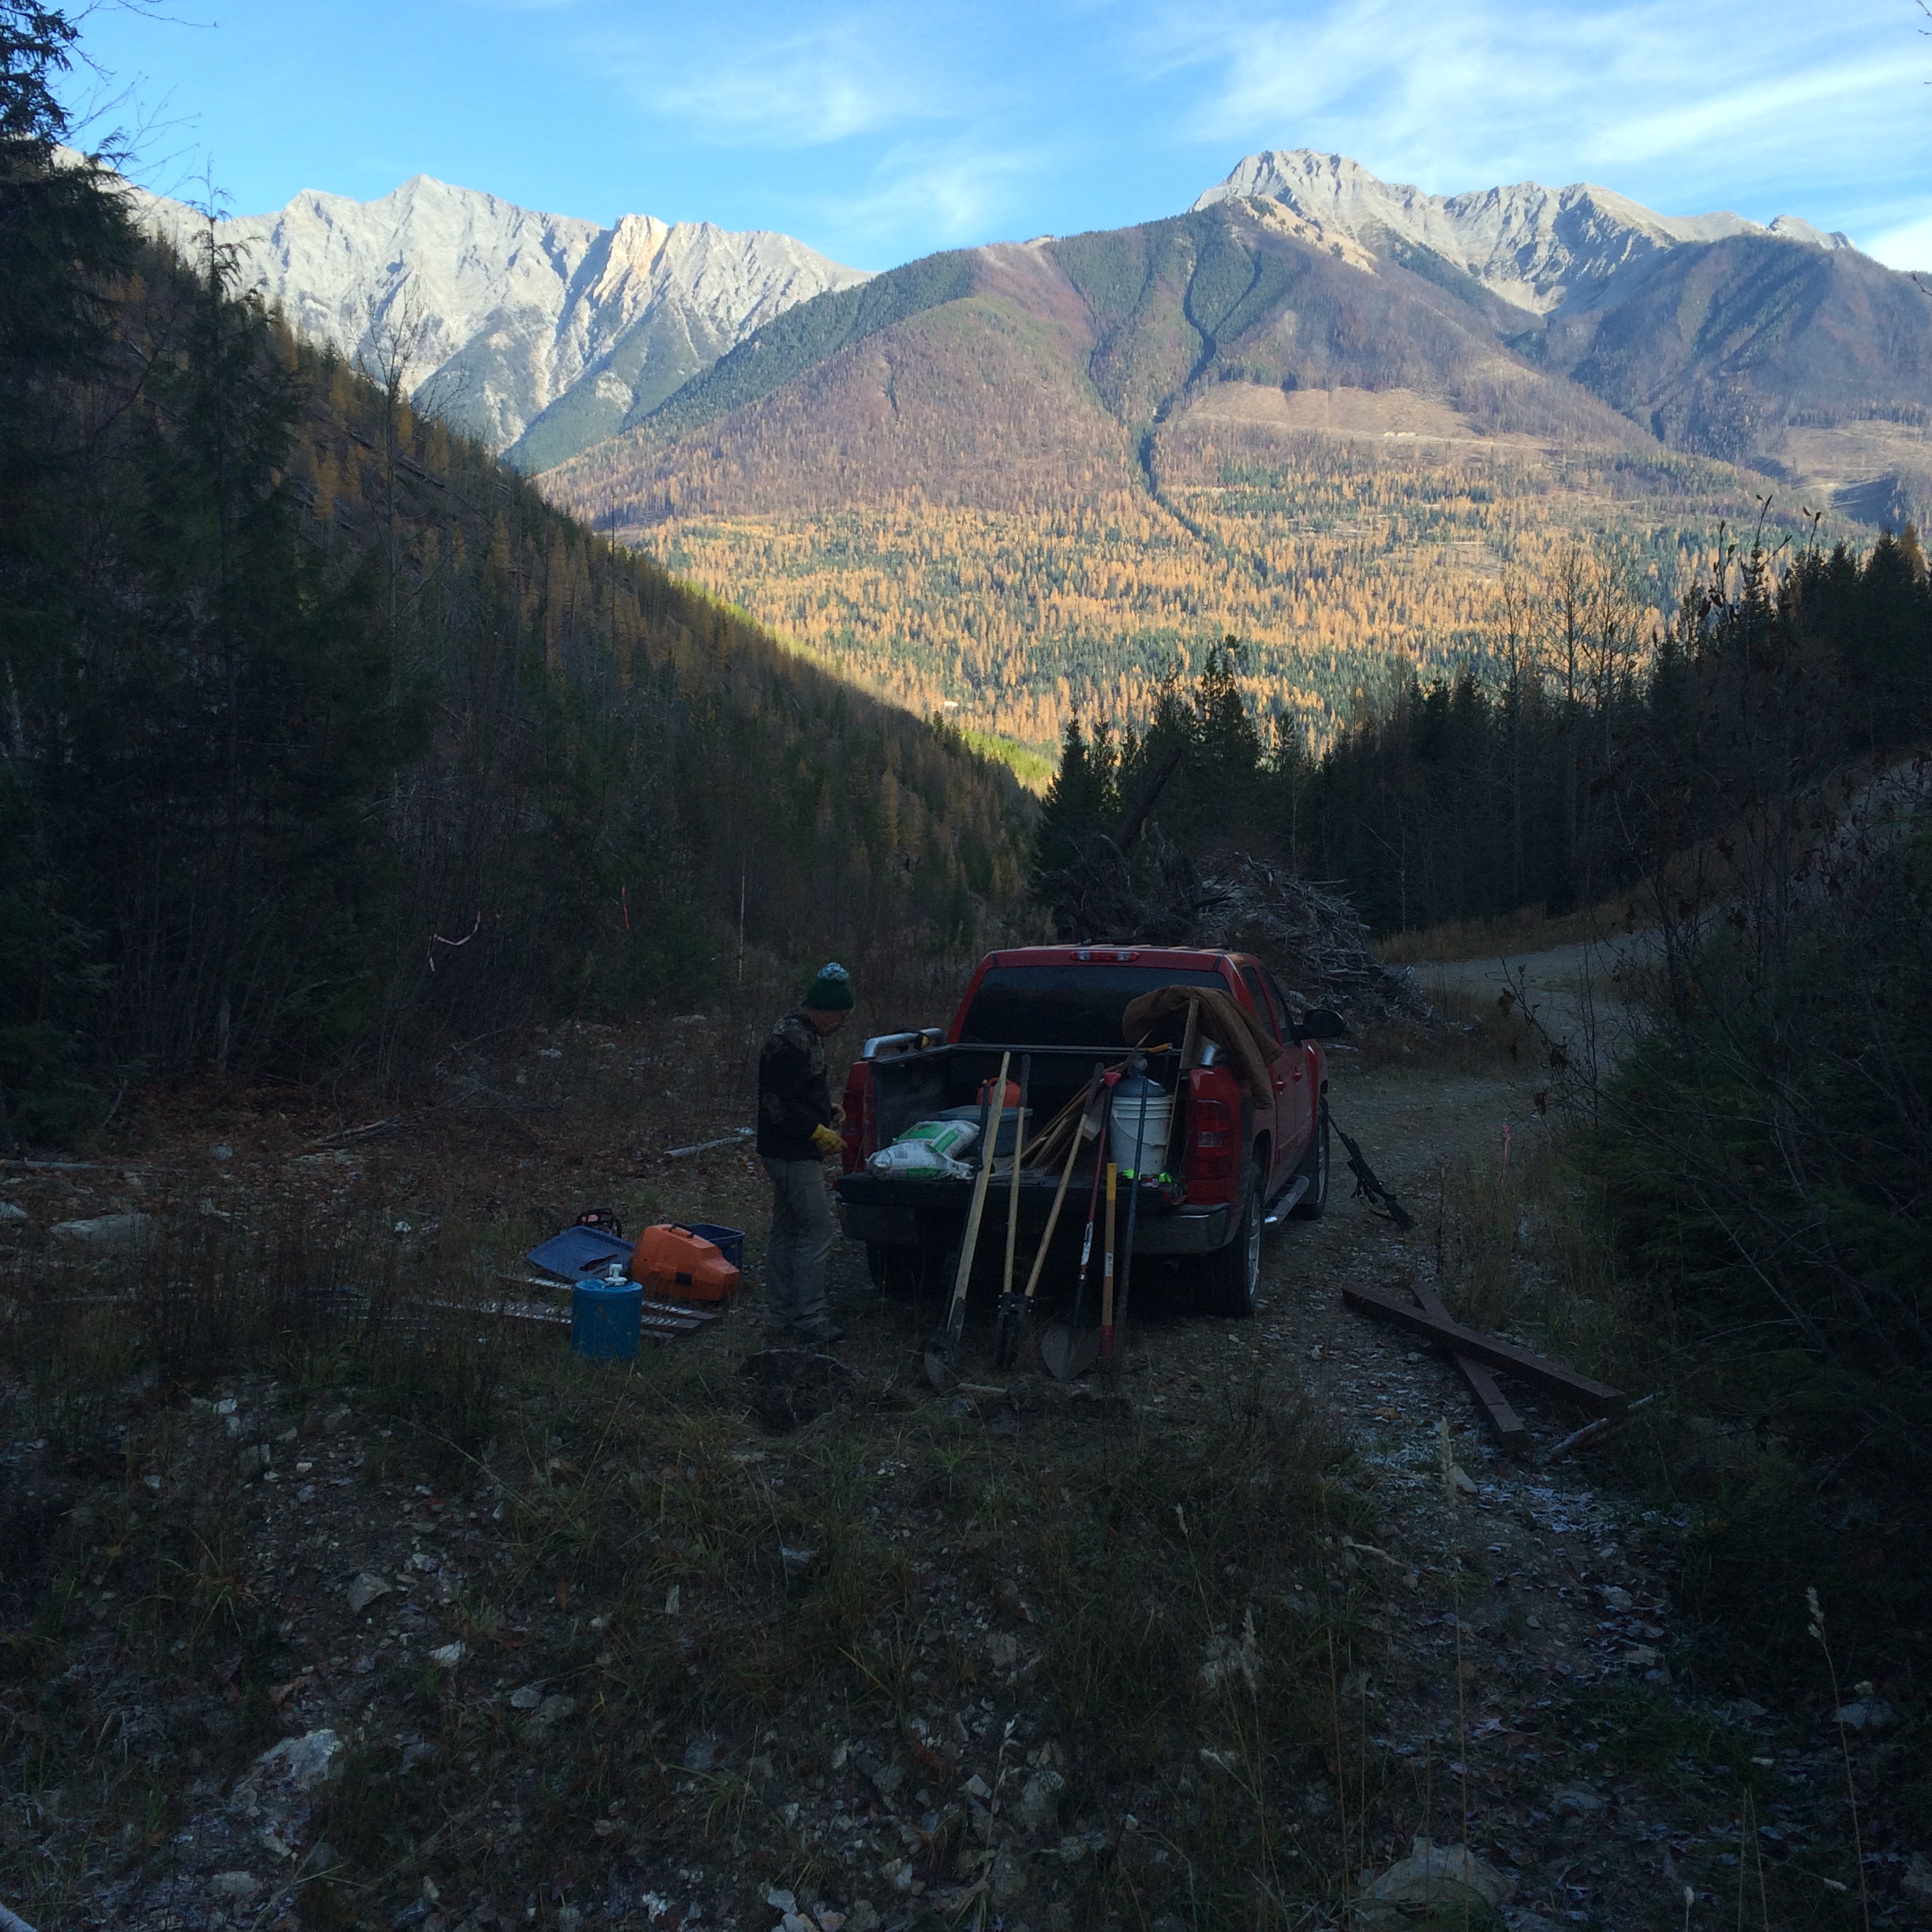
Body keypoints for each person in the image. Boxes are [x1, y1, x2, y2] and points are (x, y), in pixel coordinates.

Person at [756, 961, 855, 1342]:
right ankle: (810, 1318)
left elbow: (796, 1091)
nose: (841, 1024)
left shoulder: (805, 1035)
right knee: (817, 1231)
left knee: (786, 1230)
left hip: (786, 1150)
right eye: (841, 1016)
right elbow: (777, 1103)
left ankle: (780, 1315)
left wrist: (822, 1109)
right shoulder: (790, 1041)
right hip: (792, 1154)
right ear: (825, 1009)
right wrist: (815, 1130)